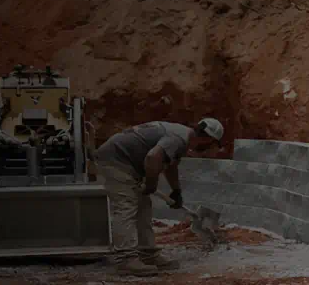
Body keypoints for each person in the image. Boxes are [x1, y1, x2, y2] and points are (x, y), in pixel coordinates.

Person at [92, 117, 224, 274]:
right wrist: (151, 184)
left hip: (125, 161)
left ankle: (147, 254)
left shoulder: (182, 136)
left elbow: (170, 165)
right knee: (125, 207)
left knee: (143, 206)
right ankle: (126, 260)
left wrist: (176, 191)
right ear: (208, 139)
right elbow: (152, 158)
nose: (209, 149)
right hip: (115, 160)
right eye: (211, 145)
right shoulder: (178, 138)